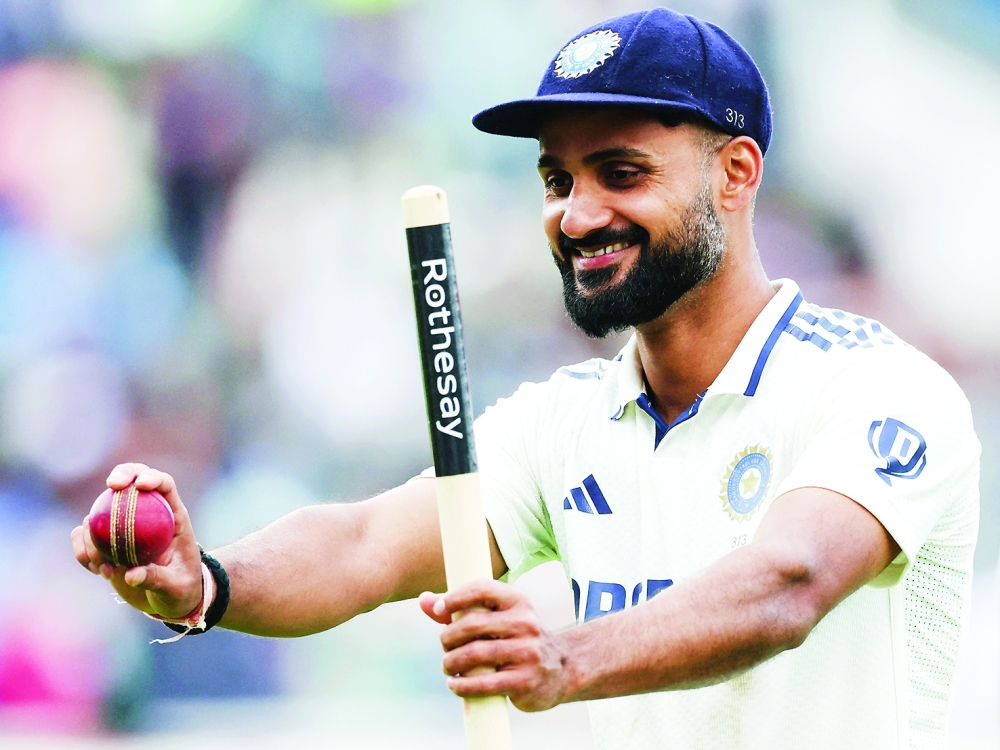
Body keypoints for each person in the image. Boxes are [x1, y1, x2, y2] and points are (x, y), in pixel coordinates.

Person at [71, 8, 980, 750]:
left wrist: (564, 659)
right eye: (556, 179)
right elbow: (359, 546)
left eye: (621, 173)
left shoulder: (879, 387)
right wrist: (209, 584)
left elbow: (791, 582)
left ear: (735, 173)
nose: (578, 215)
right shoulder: (565, 421)